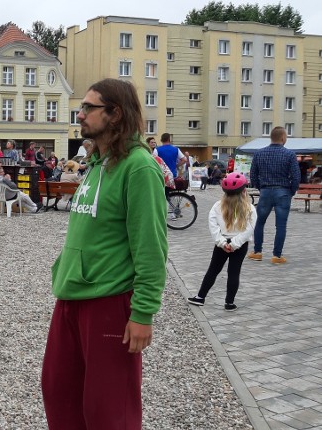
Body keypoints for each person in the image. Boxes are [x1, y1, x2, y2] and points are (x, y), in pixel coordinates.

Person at [41, 78, 167, 429]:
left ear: (115, 114)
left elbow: (152, 248)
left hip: (110, 301)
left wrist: (143, 313)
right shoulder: (99, 162)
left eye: (88, 108)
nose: (80, 115)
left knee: (109, 410)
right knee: (59, 393)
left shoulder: (139, 167)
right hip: (71, 295)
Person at [187, 172, 256, 311]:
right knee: (234, 272)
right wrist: (235, 244)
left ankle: (201, 297)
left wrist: (222, 243)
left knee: (213, 270)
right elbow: (249, 229)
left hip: (221, 243)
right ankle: (229, 303)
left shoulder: (217, 206)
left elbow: (213, 227)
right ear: (244, 191)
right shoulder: (250, 208)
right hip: (240, 245)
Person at [248, 126, 301, 265]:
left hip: (265, 191)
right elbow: (296, 176)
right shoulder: (290, 154)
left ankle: (257, 252)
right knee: (281, 225)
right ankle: (277, 256)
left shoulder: (259, 154)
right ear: (283, 138)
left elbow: (253, 175)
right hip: (283, 192)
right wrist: (291, 191)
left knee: (259, 222)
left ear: (271, 137)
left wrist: (261, 188)